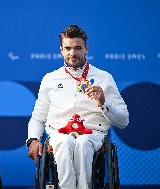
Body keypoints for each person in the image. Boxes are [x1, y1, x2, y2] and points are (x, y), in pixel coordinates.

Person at [27, 25, 129, 189]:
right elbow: (38, 117)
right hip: (59, 133)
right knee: (64, 142)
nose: (72, 53)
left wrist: (104, 103)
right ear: (61, 49)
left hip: (92, 134)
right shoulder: (50, 79)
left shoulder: (104, 78)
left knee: (82, 143)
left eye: (78, 48)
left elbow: (123, 120)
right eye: (68, 48)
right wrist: (33, 139)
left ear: (86, 48)